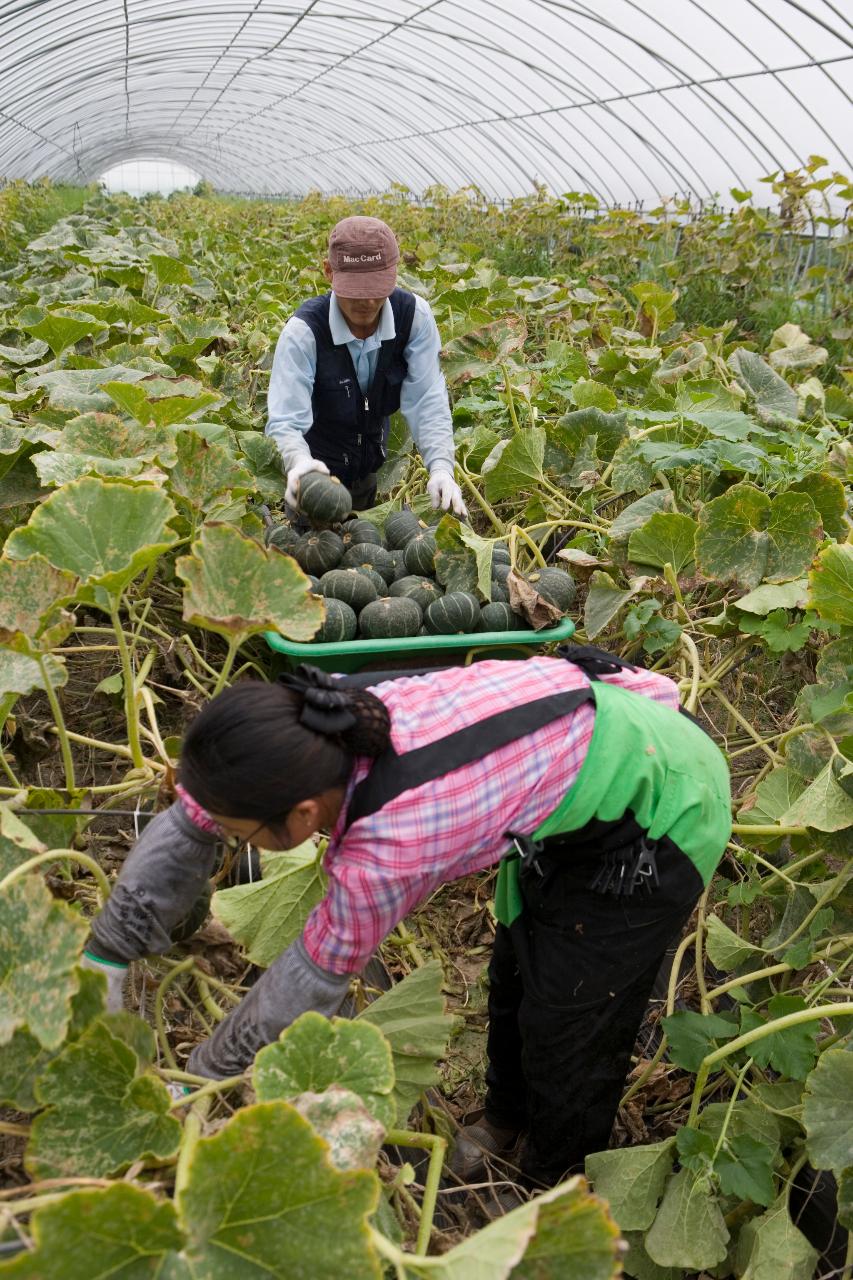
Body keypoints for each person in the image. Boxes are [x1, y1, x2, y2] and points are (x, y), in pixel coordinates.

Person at [82, 648, 730, 1192]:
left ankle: (550, 1180)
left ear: (303, 817)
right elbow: (196, 814)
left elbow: (311, 980)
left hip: (664, 805)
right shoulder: (313, 724)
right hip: (582, 762)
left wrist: (199, 1079)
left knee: (572, 1020)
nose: (224, 839)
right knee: (513, 980)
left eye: (235, 835)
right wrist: (108, 951)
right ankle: (504, 1118)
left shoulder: (388, 848)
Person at [266, 214, 466, 518]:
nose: (368, 302)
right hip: (312, 479)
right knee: (308, 556)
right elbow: (285, 419)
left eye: (377, 287)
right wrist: (298, 462)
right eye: (356, 290)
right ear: (329, 272)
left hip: (366, 468)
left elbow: (427, 398)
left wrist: (440, 467)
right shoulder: (303, 331)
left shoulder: (414, 317)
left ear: (394, 273)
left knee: (364, 554)